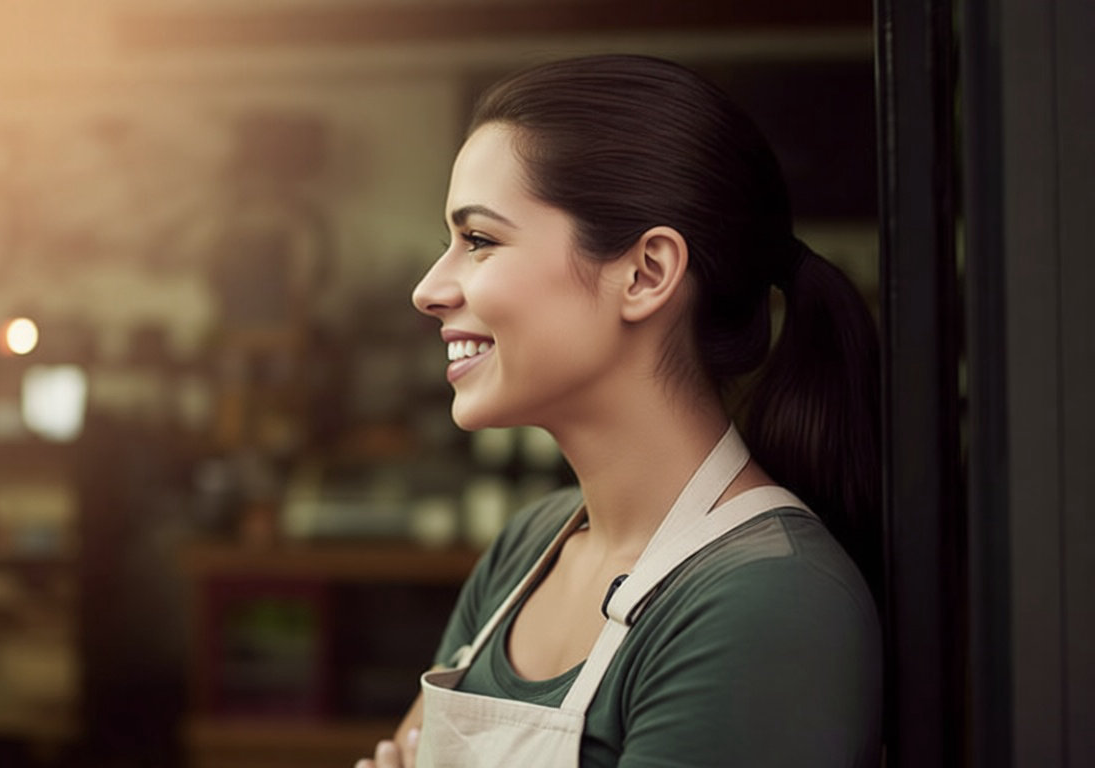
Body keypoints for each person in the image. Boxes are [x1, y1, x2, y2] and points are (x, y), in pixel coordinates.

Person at [356, 54, 882, 768]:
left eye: (479, 240)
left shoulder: (767, 603)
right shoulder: (528, 549)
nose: (428, 289)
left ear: (647, 273)